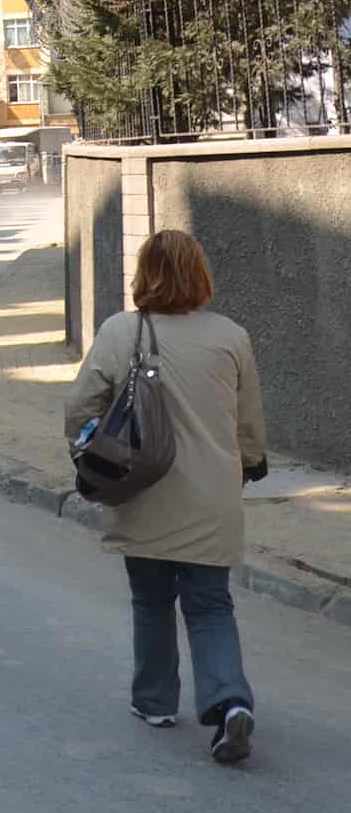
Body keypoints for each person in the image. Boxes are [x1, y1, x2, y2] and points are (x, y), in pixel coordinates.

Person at [65, 227, 268, 766]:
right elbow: (248, 425)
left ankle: (155, 701)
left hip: (144, 490)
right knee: (210, 606)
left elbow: (79, 408)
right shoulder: (231, 336)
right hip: (212, 499)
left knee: (151, 600)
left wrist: (89, 452)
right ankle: (229, 704)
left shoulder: (119, 331)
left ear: (143, 274)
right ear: (200, 274)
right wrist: (251, 462)